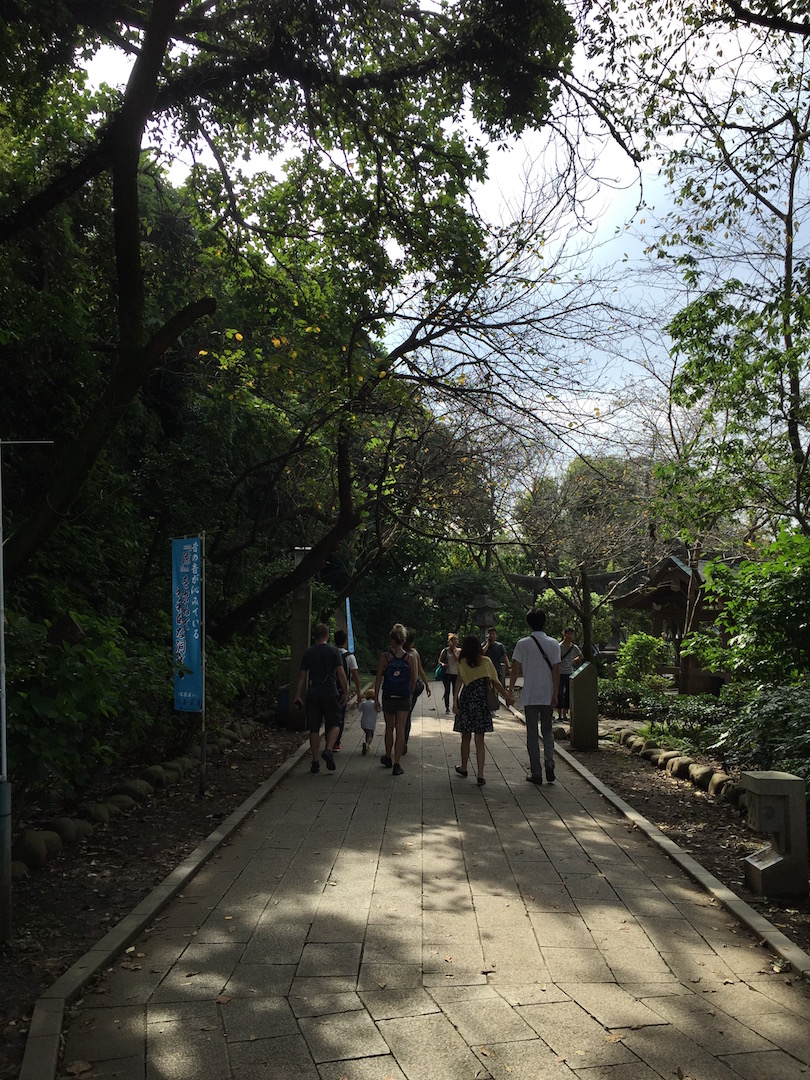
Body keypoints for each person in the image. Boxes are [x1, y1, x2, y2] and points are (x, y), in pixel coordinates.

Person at [452, 635, 512, 785]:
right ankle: (480, 774)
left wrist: (455, 701)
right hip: (481, 701)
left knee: (465, 736)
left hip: (466, 700)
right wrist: (507, 697)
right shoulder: (486, 662)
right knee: (480, 739)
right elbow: (495, 682)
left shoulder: (462, 662)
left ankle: (464, 767)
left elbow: (459, 681)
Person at [509, 609, 561, 785]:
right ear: (544, 622)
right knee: (547, 730)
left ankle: (536, 772)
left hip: (530, 694)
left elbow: (515, 669)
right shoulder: (554, 643)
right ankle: (549, 761)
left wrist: (510, 690)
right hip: (547, 694)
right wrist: (555, 693)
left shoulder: (522, 643)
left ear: (529, 623)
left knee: (532, 733)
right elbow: (556, 670)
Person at [293, 623, 348, 774]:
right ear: (328, 635)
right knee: (335, 722)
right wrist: (346, 691)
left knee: (314, 728)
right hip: (330, 692)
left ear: (315, 636)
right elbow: (341, 673)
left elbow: (302, 675)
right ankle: (329, 749)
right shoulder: (334, 651)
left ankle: (315, 761)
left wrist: (298, 695)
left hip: (313, 694)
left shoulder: (308, 652)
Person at [374, 623, 417, 775]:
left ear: (392, 640)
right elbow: (413, 679)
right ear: (404, 640)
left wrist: (376, 697)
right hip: (403, 697)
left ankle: (387, 756)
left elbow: (378, 677)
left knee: (389, 727)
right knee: (400, 729)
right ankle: (397, 763)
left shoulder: (385, 657)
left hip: (388, 697)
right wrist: (409, 693)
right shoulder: (409, 658)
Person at [403, 629, 432, 754]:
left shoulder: (396, 653)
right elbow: (420, 670)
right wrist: (426, 685)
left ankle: (400, 740)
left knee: (399, 717)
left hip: (399, 688)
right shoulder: (414, 653)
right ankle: (404, 741)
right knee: (407, 715)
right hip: (412, 688)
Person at [333, 628, 362, 748]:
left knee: (330, 715)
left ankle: (329, 739)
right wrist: (359, 692)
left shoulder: (330, 653)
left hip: (329, 689)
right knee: (340, 717)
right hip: (342, 690)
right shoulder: (349, 656)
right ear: (345, 641)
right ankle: (336, 742)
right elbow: (355, 674)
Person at [557, 626, 584, 721]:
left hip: (569, 672)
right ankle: (559, 714)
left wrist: (573, 661)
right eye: (568, 633)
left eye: (572, 634)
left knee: (568, 694)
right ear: (564, 634)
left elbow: (581, 656)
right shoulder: (559, 647)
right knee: (559, 693)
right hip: (560, 672)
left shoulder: (574, 647)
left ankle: (565, 714)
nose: (570, 636)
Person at [481, 626, 511, 710]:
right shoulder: (484, 644)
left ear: (496, 635)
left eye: (493, 634)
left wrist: (509, 666)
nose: (492, 636)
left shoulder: (500, 646)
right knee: (486, 689)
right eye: (490, 634)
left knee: (496, 689)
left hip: (496, 670)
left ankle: (494, 707)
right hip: (485, 671)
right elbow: (481, 653)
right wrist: (487, 644)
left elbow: (505, 657)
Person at [438, 633, 460, 714]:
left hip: (456, 673)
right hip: (447, 673)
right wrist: (442, 664)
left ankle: (456, 705)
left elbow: (457, 659)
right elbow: (439, 660)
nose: (455, 641)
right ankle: (447, 707)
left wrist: (453, 650)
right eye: (453, 640)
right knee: (447, 690)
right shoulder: (445, 650)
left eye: (456, 640)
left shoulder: (459, 650)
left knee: (455, 691)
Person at [359, 689, 378, 755]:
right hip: (371, 722)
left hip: (364, 722)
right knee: (370, 734)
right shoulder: (375, 703)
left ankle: (367, 745)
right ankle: (367, 744)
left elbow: (359, 709)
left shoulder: (364, 703)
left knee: (367, 733)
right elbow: (379, 709)